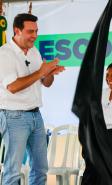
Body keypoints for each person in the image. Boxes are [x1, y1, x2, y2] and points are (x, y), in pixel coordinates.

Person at [0, 13, 64, 185]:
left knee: (41, 168)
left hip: (36, 115)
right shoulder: (4, 54)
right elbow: (12, 87)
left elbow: (45, 83)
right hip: (14, 117)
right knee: (13, 170)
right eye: (30, 31)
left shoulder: (34, 52)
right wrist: (40, 73)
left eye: (36, 31)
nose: (35, 35)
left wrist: (49, 74)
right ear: (17, 31)